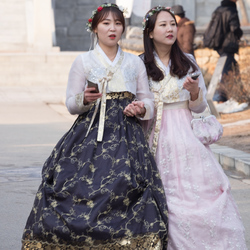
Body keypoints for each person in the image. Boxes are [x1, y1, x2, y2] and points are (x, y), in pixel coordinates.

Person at [21, 3, 169, 249]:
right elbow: (70, 103)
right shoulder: (83, 61)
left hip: (127, 136)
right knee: (74, 187)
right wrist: (84, 100)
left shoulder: (134, 63)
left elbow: (149, 103)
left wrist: (140, 108)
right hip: (89, 134)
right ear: (95, 27)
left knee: (127, 188)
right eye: (106, 23)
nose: (113, 28)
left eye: (118, 23)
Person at [141, 6, 247, 249]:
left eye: (172, 24)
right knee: (167, 199)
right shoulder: (140, 65)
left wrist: (195, 93)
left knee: (200, 195)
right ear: (149, 32)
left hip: (188, 139)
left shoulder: (187, 61)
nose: (170, 29)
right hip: (156, 139)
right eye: (163, 25)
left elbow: (200, 109)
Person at [211, 0, 243, 103]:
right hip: (228, 45)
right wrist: (240, 33)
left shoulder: (218, 10)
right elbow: (235, 28)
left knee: (234, 67)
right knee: (226, 70)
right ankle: (222, 97)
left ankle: (241, 92)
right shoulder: (231, 9)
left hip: (219, 45)